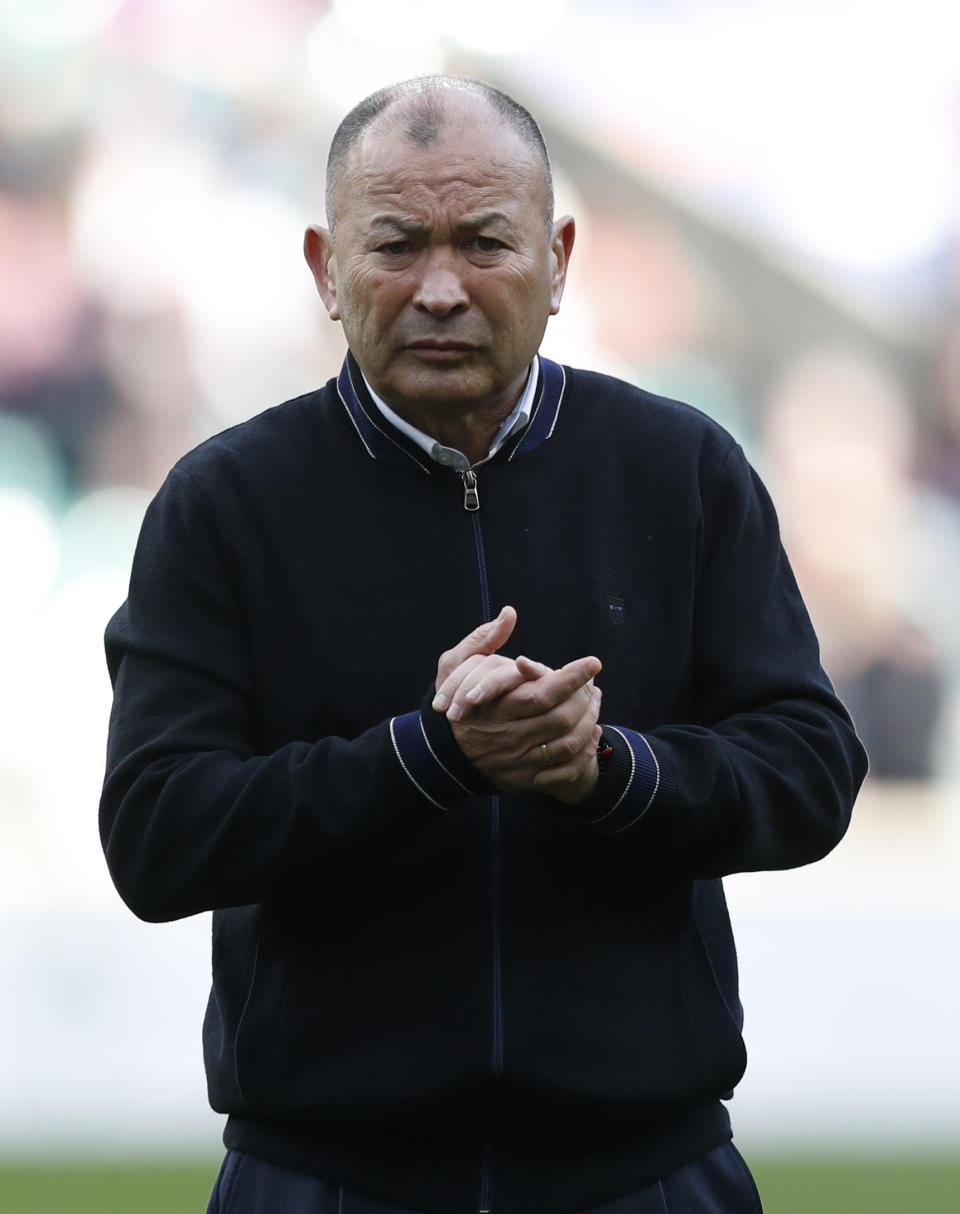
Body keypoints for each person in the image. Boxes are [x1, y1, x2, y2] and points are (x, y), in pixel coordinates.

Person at [99, 76, 868, 1214]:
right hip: (328, 1172)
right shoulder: (226, 503)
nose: (442, 289)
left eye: (486, 242)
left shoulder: (679, 469)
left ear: (560, 259)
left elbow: (810, 770)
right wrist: (429, 757)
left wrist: (609, 769)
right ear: (325, 267)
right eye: (397, 245)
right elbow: (158, 834)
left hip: (645, 1167)